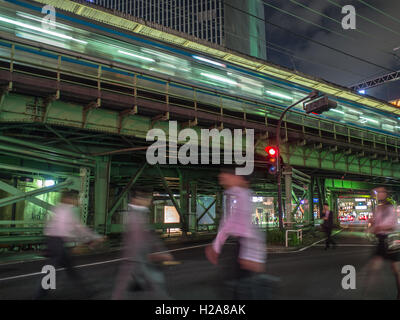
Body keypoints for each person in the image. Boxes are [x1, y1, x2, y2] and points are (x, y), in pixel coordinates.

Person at [205, 169, 266, 299]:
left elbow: (243, 227)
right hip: (241, 247)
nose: (221, 177)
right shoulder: (234, 194)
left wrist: (252, 256)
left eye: (226, 174)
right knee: (240, 286)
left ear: (238, 178)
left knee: (242, 287)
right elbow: (228, 223)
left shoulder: (241, 195)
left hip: (244, 247)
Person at [34, 190, 104, 299]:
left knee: (66, 269)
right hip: (57, 243)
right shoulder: (66, 211)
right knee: (54, 270)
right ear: (70, 199)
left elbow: (73, 228)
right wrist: (94, 238)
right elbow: (78, 229)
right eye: (77, 198)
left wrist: (88, 239)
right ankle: (40, 296)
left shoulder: (58, 208)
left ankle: (88, 291)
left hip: (53, 242)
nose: (78, 201)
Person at [112, 189, 173, 300]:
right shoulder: (136, 216)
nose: (149, 201)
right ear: (137, 200)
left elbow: (148, 236)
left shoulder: (137, 213)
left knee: (122, 288)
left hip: (133, 259)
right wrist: (155, 254)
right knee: (156, 286)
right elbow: (142, 238)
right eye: (146, 199)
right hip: (138, 259)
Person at [364, 186, 400, 299]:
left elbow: (392, 225)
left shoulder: (390, 208)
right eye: (376, 192)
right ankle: (366, 294)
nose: (377, 194)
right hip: (381, 240)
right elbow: (375, 222)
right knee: (373, 267)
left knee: (396, 270)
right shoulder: (378, 209)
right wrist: (371, 223)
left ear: (385, 194)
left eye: (380, 192)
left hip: (391, 241)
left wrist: (376, 227)